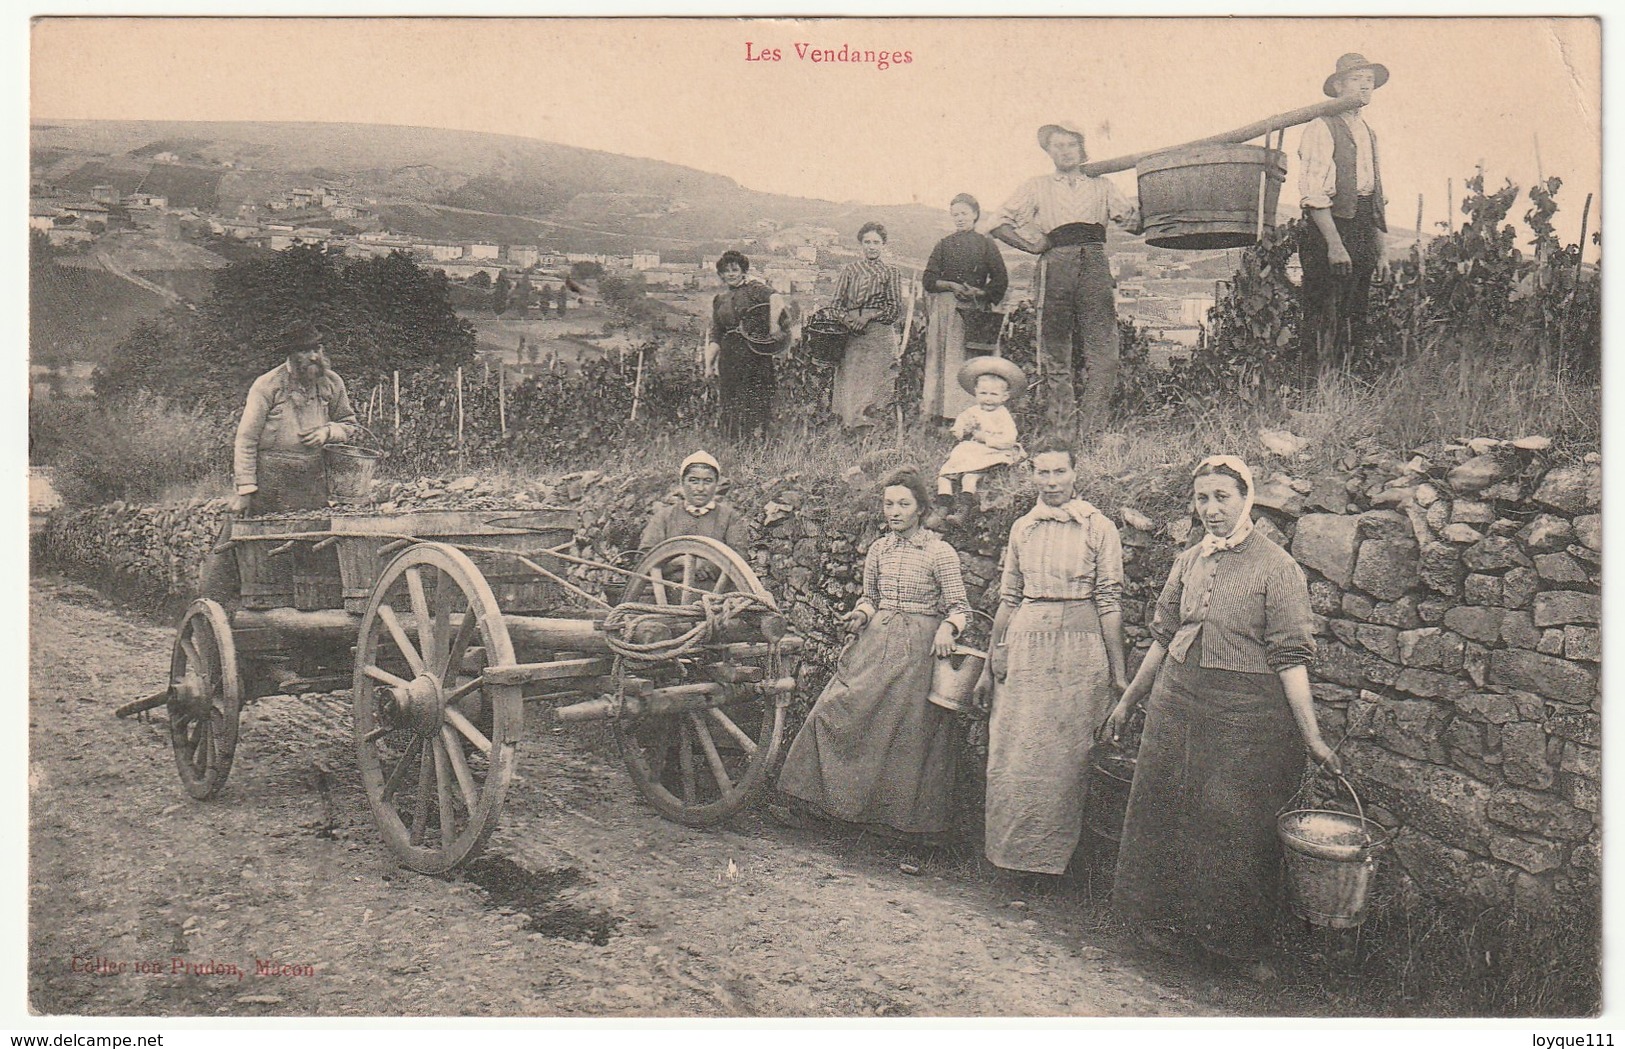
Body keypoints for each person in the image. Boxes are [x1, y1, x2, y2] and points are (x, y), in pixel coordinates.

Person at [1104, 455, 1341, 978]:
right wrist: (1128, 702)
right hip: (1176, 701)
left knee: (1234, 824)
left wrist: (1313, 736)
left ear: (1246, 498)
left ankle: (1232, 946)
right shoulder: (1189, 560)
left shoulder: (1277, 567)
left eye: (1222, 498)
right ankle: (1157, 926)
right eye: (1202, 499)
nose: (1211, 510)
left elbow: (1291, 657)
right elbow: (1163, 636)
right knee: (1163, 809)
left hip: (1245, 714)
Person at [774, 468, 969, 840]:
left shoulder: (939, 552)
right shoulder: (879, 549)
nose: (894, 512)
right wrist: (861, 614)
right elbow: (869, 598)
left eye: (903, 504)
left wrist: (948, 627)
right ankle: (818, 805)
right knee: (837, 708)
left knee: (904, 733)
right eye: (888, 503)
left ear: (921, 509)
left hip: (916, 650)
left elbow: (961, 607)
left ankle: (897, 828)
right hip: (875, 642)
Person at [975, 437, 1126, 882]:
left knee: (1068, 755)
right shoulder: (1023, 527)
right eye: (1043, 472)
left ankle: (1059, 867)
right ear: (1032, 475)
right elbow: (1007, 600)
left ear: (1076, 473)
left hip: (1080, 648)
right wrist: (988, 666)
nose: (1052, 481)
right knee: (1016, 749)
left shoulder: (1099, 528)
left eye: (1060, 471)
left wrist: (1119, 676)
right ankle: (1009, 860)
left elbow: (1110, 602)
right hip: (1025, 644)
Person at [990, 122, 1142, 430]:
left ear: (1082, 149)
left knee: (1104, 352)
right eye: (1056, 146)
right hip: (1055, 263)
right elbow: (997, 222)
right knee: (1055, 348)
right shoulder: (1036, 186)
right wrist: (1032, 245)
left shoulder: (1103, 185)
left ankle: (1091, 428)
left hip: (1095, 263)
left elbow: (1133, 223)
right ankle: (1061, 426)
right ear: (1048, 152)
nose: (1064, 151)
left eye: (1070, 144)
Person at [1297, 52, 1390, 379]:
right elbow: (1313, 193)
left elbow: (1375, 194)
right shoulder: (1320, 128)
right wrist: (1335, 246)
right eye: (1356, 80)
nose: (1365, 87)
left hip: (1363, 225)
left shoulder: (1368, 131)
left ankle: (1346, 389)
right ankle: (1311, 392)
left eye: (1370, 81)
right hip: (1329, 228)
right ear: (1338, 86)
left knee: (1356, 312)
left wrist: (1380, 248)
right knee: (1324, 312)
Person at [921, 193, 1009, 422]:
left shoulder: (986, 244)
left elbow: (1000, 280)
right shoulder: (944, 245)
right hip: (947, 312)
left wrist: (978, 292)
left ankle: (976, 415)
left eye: (964, 213)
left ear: (975, 215)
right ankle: (943, 414)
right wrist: (950, 285)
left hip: (975, 313)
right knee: (945, 361)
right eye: (955, 215)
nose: (959, 218)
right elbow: (929, 280)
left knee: (970, 362)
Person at [704, 250, 790, 442]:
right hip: (729, 356)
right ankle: (734, 443)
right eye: (726, 271)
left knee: (756, 398)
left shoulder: (754, 289)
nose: (731, 274)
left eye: (735, 269)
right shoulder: (720, 299)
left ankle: (759, 442)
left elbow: (776, 299)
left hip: (754, 354)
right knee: (730, 399)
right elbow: (716, 334)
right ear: (721, 275)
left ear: (743, 271)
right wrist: (708, 364)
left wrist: (773, 325)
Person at [828, 222, 904, 431]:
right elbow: (835, 305)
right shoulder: (849, 271)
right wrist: (848, 320)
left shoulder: (891, 272)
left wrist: (869, 315)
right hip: (853, 335)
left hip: (879, 335)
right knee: (852, 379)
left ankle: (876, 427)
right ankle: (851, 427)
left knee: (878, 381)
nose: (872, 247)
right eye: (867, 242)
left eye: (876, 242)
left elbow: (895, 308)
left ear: (883, 245)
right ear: (861, 244)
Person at [934, 356, 1026, 527]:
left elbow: (1009, 439)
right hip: (971, 450)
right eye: (983, 393)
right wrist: (960, 430)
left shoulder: (1002, 415)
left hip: (992, 451)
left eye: (994, 394)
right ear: (975, 392)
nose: (988, 399)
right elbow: (961, 424)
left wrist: (987, 438)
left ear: (1005, 396)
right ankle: (941, 508)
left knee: (969, 477)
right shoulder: (973, 411)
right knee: (945, 475)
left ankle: (963, 510)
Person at [637, 450, 750, 555]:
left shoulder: (730, 517)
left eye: (708, 481)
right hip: (667, 576)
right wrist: (678, 563)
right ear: (682, 482)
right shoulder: (664, 517)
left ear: (716, 484)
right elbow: (646, 555)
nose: (700, 488)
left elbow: (739, 556)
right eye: (693, 481)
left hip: (714, 576)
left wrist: (708, 566)